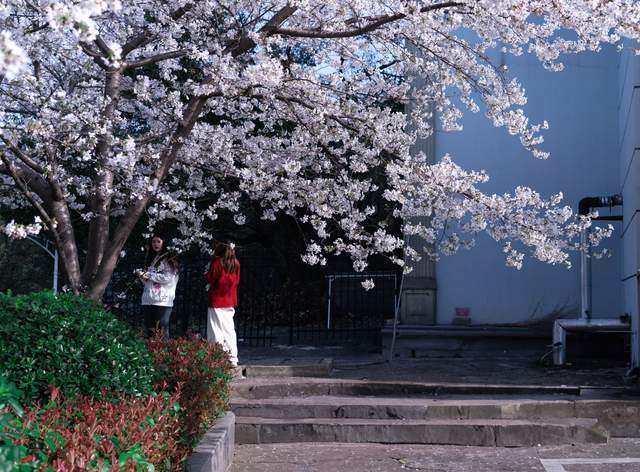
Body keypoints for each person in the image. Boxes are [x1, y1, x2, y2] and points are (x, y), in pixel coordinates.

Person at [138, 234, 179, 339]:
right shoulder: (151, 259)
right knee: (150, 332)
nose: (155, 244)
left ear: (164, 243)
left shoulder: (168, 259)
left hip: (162, 300)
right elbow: (149, 281)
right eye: (153, 242)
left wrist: (149, 275)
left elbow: (168, 277)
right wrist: (142, 276)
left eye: (158, 241)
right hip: (148, 299)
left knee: (162, 331)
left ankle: (164, 354)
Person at [206, 240, 240, 367]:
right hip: (229, 300)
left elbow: (210, 278)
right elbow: (236, 281)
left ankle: (217, 358)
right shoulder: (236, 263)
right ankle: (232, 358)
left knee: (215, 329)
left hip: (216, 300)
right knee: (229, 329)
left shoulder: (217, 263)